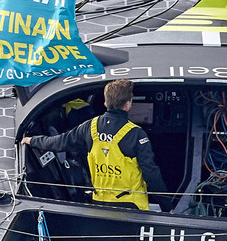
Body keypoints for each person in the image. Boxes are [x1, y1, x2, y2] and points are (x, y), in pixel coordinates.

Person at [22, 80, 168, 211]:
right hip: (131, 206)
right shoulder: (137, 134)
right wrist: (167, 206)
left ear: (106, 102)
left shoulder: (89, 127)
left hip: (99, 205)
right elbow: (151, 173)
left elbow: (58, 142)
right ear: (128, 104)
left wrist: (31, 140)